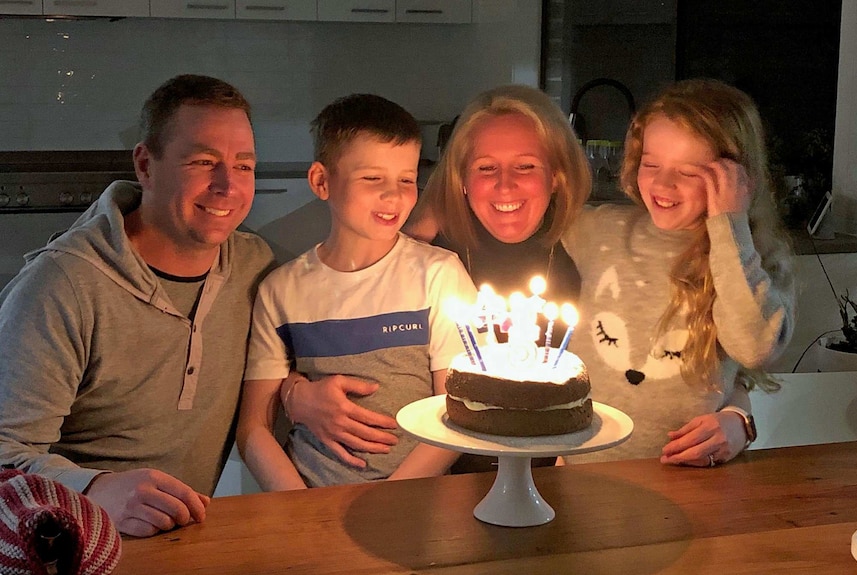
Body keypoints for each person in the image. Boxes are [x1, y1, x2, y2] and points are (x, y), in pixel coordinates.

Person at [0, 74, 275, 537]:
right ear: (146, 165)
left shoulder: (255, 265)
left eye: (244, 166)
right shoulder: (62, 284)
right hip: (72, 542)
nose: (227, 185)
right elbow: (6, 452)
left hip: (185, 540)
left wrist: (298, 393)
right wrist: (94, 488)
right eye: (203, 161)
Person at [282, 85, 593, 472]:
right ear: (461, 179)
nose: (505, 184)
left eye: (526, 166)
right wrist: (292, 393)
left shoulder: (590, 250)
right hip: (441, 487)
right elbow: (332, 319)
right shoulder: (426, 252)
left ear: (557, 175)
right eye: (486, 168)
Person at [237, 93, 477, 488]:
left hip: (413, 501)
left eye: (407, 179)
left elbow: (457, 414)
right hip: (310, 504)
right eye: (372, 179)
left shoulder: (438, 275)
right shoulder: (282, 291)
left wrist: (388, 501)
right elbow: (253, 429)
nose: (394, 196)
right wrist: (301, 509)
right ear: (321, 181)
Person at [561, 78, 796, 467]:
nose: (662, 183)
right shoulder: (600, 230)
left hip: (687, 481)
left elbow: (754, 348)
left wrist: (728, 226)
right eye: (651, 164)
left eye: (689, 172)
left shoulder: (758, 258)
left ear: (738, 180)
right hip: (580, 474)